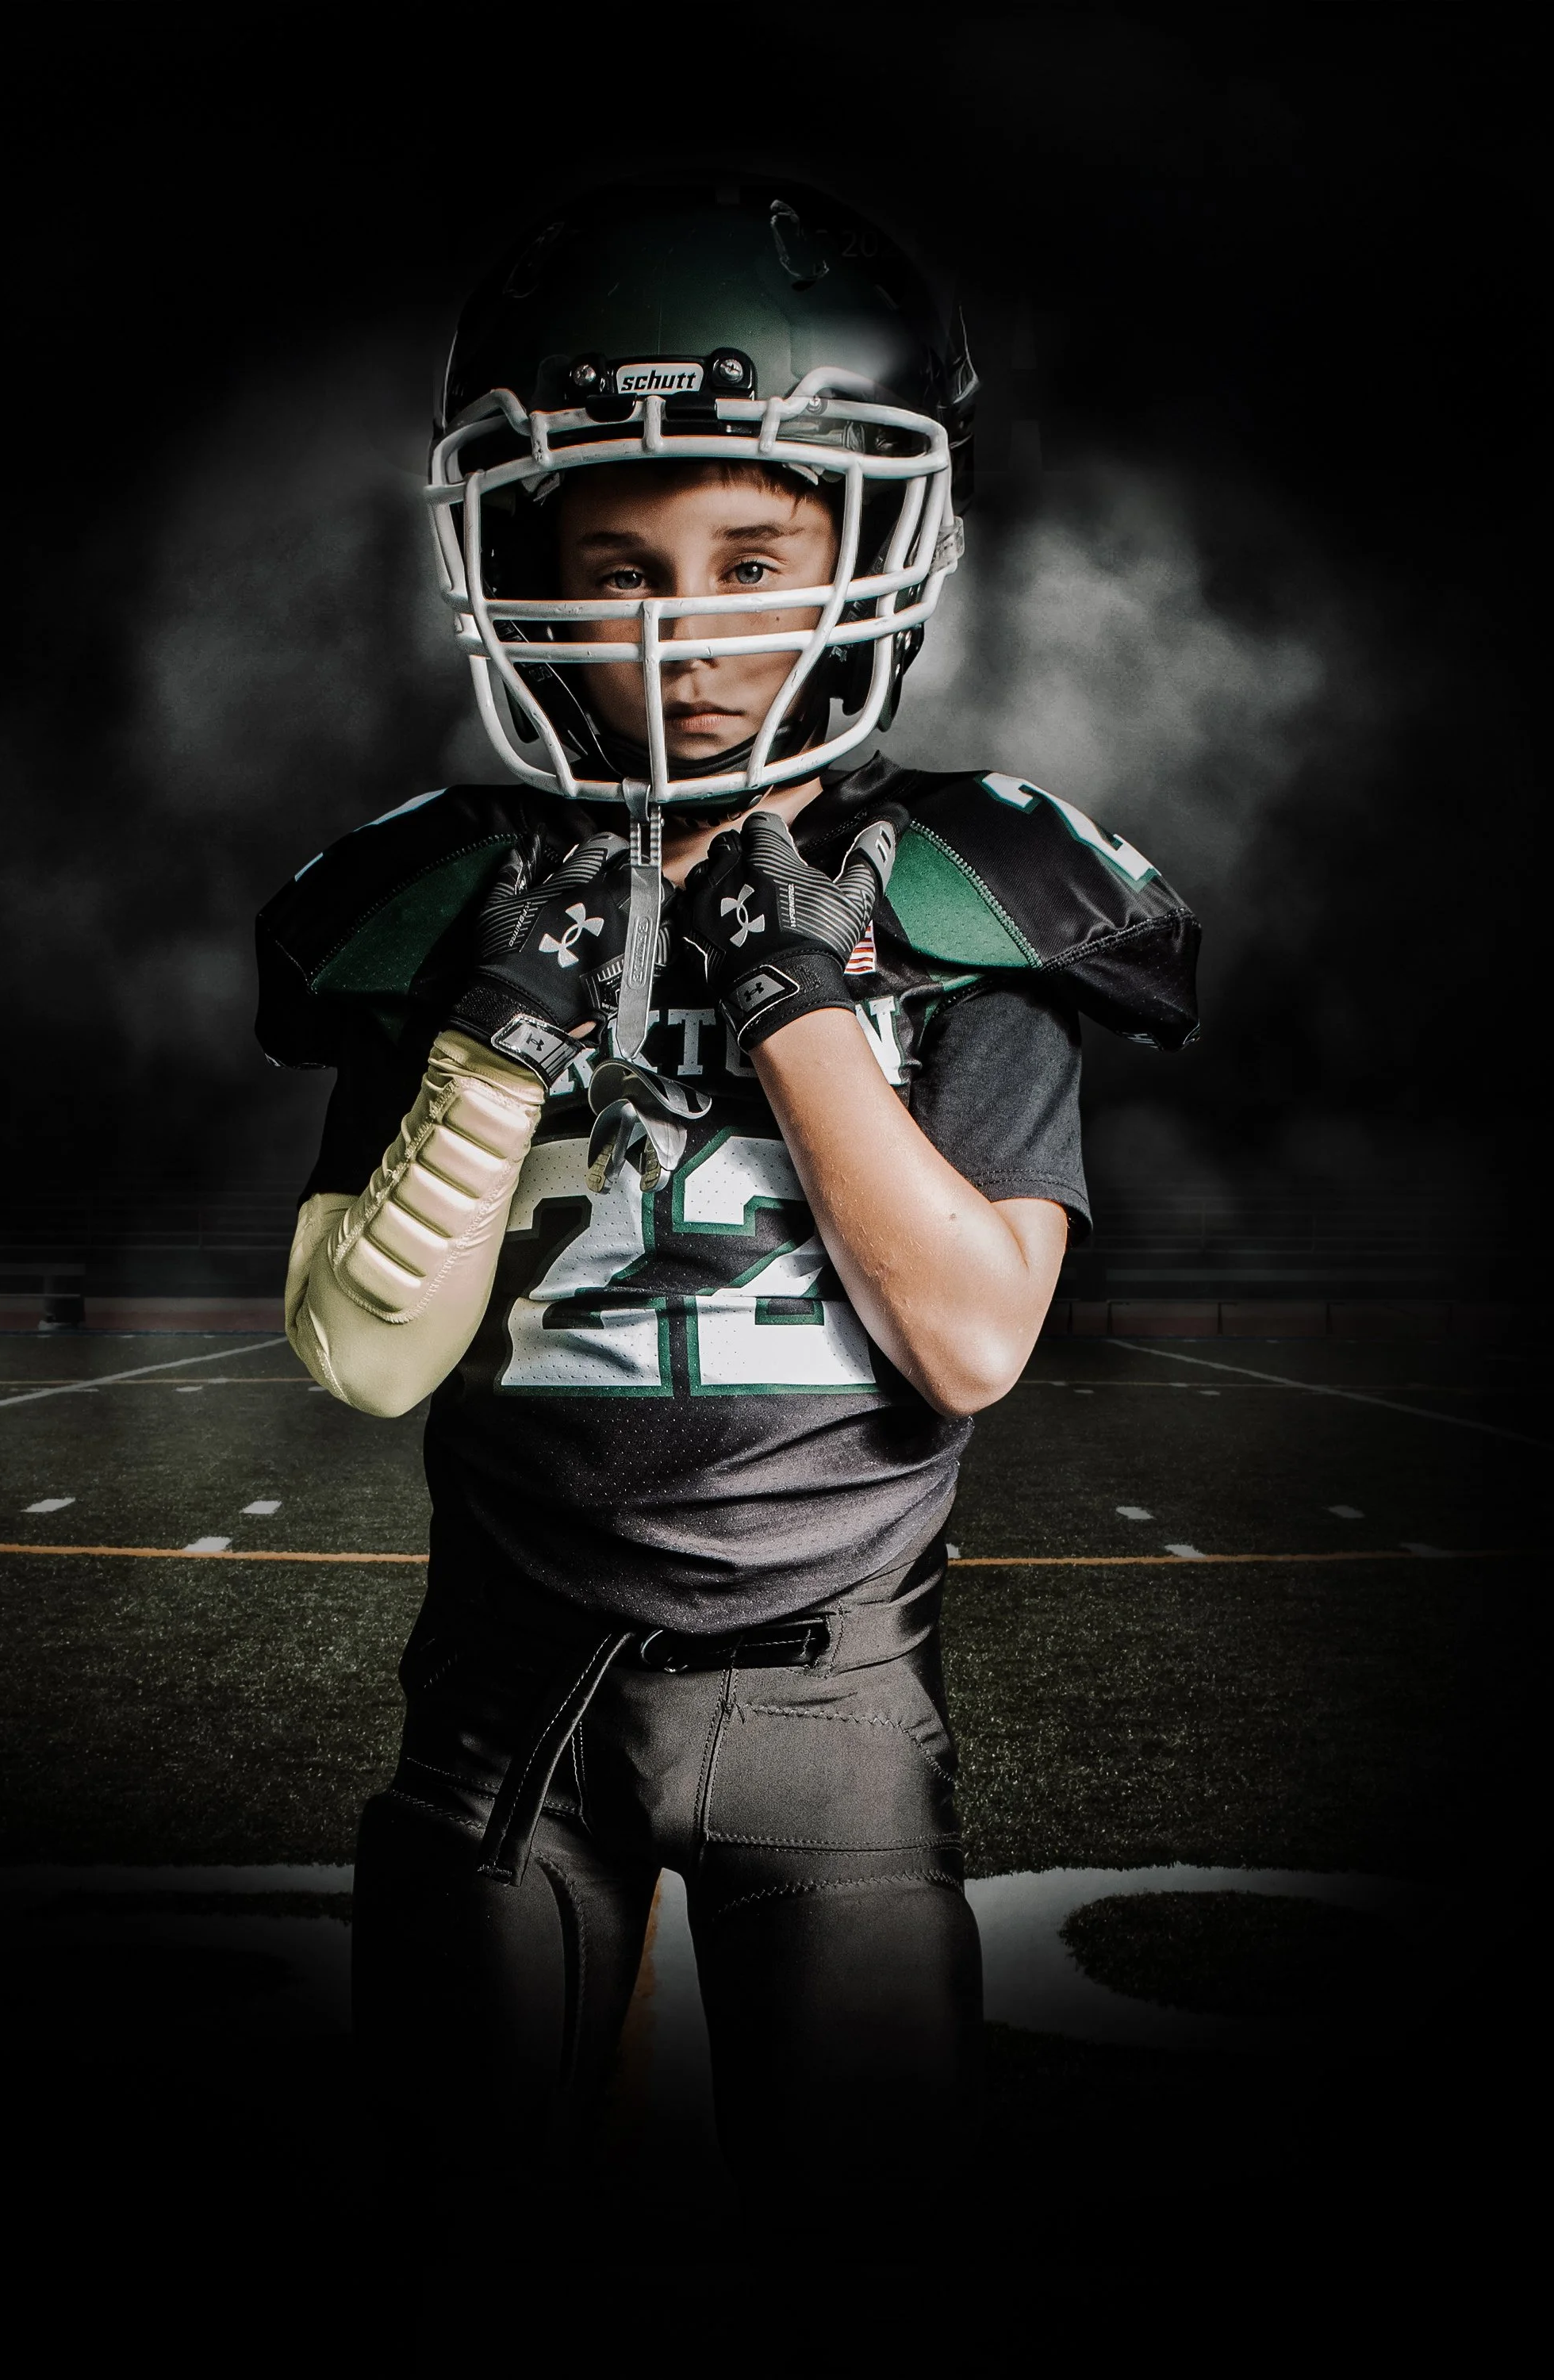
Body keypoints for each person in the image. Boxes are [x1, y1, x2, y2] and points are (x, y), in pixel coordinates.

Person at [255, 181, 1199, 2223]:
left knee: (866, 2242)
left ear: (867, 548)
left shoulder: (956, 912)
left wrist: (794, 1004)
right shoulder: (447, 915)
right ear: (520, 568)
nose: (682, 626)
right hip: (511, 1691)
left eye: (751, 558)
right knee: (453, 2218)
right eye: (619, 565)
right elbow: (364, 1349)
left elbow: (966, 1342)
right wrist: (503, 1026)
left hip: (827, 1684)